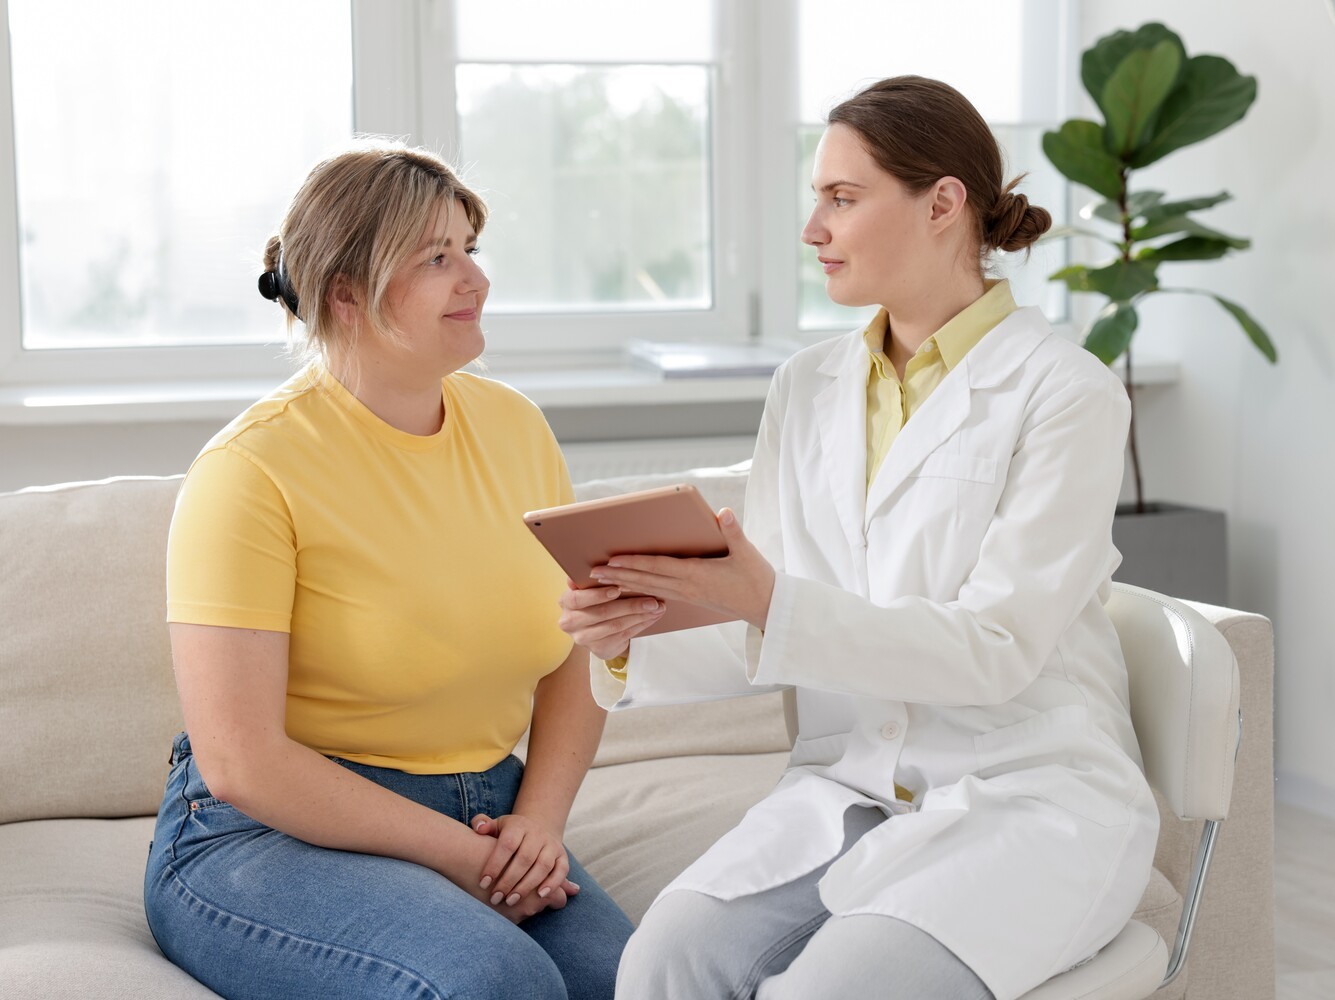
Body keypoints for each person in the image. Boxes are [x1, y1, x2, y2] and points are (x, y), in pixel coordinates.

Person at [557, 76, 1159, 1000]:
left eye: (841, 198)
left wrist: (768, 601)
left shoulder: (1066, 394)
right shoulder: (806, 386)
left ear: (943, 205)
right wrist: (634, 633)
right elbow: (768, 628)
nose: (813, 229)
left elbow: (995, 649)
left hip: (1026, 798)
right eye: (817, 199)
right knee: (660, 965)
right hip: (851, 790)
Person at [143, 142, 632, 1000]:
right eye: (436, 259)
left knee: (646, 981)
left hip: (487, 801)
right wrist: (470, 860)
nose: (473, 280)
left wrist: (538, 823)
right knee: (494, 981)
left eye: (470, 250)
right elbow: (242, 762)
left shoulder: (516, 428)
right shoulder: (250, 470)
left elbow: (575, 647)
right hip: (264, 834)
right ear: (345, 293)